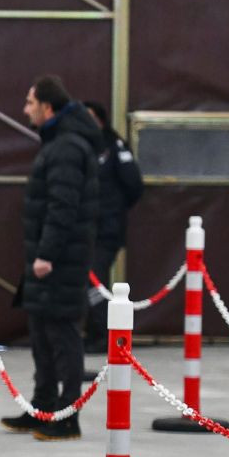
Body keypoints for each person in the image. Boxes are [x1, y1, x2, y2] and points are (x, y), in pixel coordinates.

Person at [1, 75, 102, 442]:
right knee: (42, 332)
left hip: (59, 260)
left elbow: (63, 207)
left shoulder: (67, 148)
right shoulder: (58, 143)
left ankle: (67, 415)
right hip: (50, 258)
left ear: (47, 107)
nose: (25, 109)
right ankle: (43, 407)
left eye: (30, 103)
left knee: (62, 335)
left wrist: (47, 254)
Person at [82, 100, 144, 353]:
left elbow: (134, 185)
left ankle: (104, 333)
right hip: (84, 229)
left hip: (106, 230)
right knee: (89, 281)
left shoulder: (114, 145)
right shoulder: (80, 147)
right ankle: (96, 331)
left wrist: (112, 210)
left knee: (94, 280)